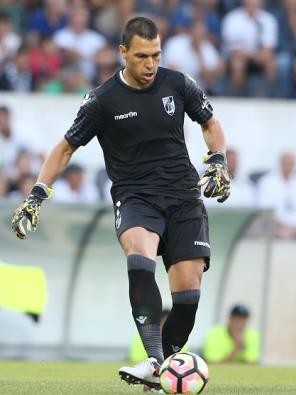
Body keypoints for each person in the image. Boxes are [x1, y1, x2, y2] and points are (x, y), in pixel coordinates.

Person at [11, 16, 230, 392]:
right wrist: (36, 195)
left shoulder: (177, 83)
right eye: (142, 56)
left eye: (156, 55)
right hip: (135, 196)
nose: (150, 65)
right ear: (122, 52)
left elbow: (210, 123)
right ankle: (155, 360)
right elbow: (65, 148)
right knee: (139, 257)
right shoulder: (102, 100)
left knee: (188, 294)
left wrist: (218, 160)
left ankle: (160, 375)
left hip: (182, 196)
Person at [257, 151, 296, 239]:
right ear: (280, 163)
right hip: (276, 228)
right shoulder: (266, 183)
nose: (288, 166)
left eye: (291, 164)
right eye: (286, 163)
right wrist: (287, 228)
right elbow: (266, 212)